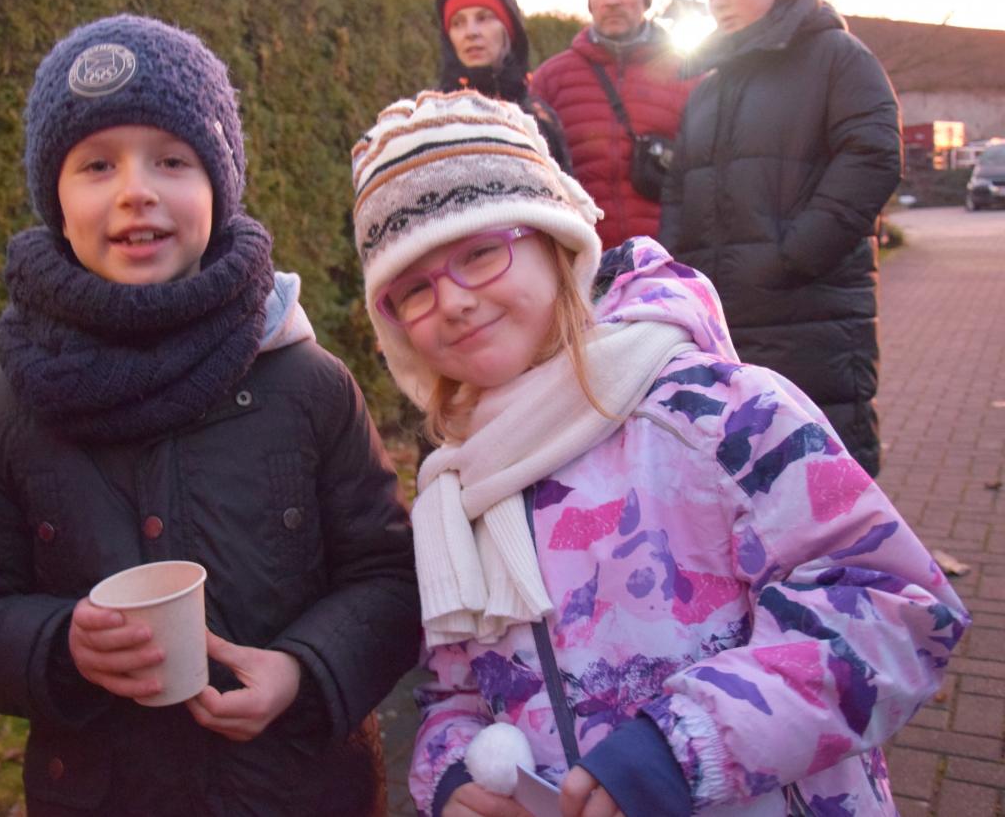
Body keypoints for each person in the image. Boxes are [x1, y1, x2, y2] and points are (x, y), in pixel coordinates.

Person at [350, 90, 967, 817]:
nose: (452, 301)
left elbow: (892, 605)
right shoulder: (456, 493)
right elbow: (454, 689)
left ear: (557, 244)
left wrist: (683, 745)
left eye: (481, 252)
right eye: (412, 290)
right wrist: (452, 775)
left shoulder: (715, 412)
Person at [0, 14, 421, 816]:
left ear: (219, 187)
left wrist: (304, 670)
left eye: (172, 160)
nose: (136, 190)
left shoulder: (308, 385)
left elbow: (389, 581)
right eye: (96, 164)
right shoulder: (4, 409)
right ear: (55, 199)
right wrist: (60, 645)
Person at [659, 0, 902, 477]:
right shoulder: (708, 88)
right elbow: (679, 188)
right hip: (724, 326)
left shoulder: (837, 57)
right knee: (741, 482)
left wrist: (796, 255)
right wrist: (681, 278)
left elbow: (873, 154)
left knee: (825, 477)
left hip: (810, 312)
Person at [531, 0, 695, 250]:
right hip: (583, 259)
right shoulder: (550, 79)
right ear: (590, 1)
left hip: (670, 259)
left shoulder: (689, 75)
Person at [436, 0, 573, 174]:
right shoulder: (429, 116)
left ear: (508, 30)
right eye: (457, 23)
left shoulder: (540, 118)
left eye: (483, 18)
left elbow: (564, 189)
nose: (470, 33)